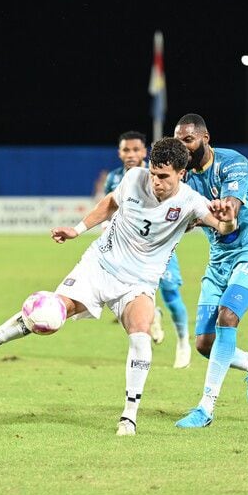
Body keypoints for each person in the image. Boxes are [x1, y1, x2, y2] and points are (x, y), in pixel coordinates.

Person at [0, 138, 237, 436]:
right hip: (99, 266)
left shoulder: (191, 201)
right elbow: (110, 202)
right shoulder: (135, 179)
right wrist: (77, 229)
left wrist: (227, 222)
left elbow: (222, 226)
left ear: (181, 174)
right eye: (154, 174)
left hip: (138, 281)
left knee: (141, 332)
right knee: (48, 315)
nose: (156, 182)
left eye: (164, 177)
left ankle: (128, 418)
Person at [172, 113, 248, 429]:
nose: (184, 148)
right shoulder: (184, 176)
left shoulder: (233, 163)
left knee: (227, 317)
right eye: (179, 142)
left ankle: (205, 409)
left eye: (188, 140)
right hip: (219, 261)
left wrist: (211, 215)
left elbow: (230, 210)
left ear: (205, 137)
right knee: (204, 343)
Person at [101, 130, 192, 368]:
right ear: (119, 153)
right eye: (125, 150)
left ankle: (183, 342)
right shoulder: (114, 178)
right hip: (127, 251)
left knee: (171, 293)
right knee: (117, 294)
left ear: (144, 152)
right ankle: (152, 315)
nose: (131, 154)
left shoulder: (158, 174)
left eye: (135, 150)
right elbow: (109, 208)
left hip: (158, 249)